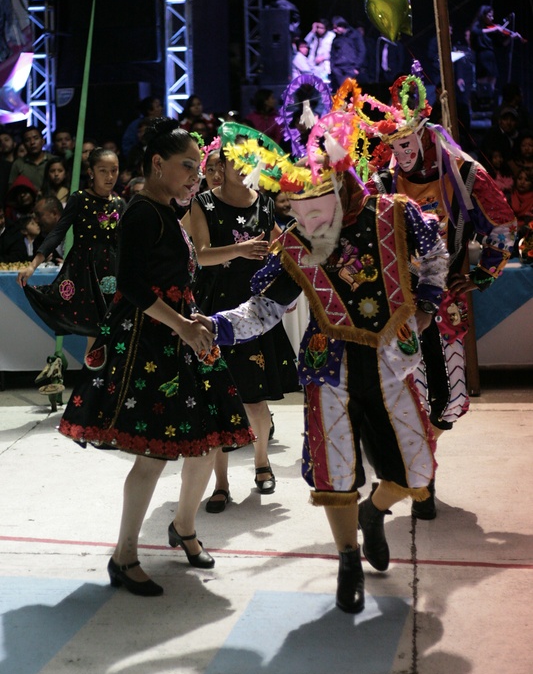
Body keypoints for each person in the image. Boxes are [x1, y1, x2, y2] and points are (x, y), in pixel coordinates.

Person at [192, 126, 449, 614]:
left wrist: (428, 308)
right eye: (298, 210)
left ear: (343, 185)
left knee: (416, 470)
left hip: (391, 364)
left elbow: (434, 255)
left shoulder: (393, 215)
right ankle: (347, 559)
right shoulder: (295, 245)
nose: (310, 220)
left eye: (319, 205)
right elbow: (263, 310)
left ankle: (374, 515)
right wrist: (217, 326)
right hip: (328, 370)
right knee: (334, 477)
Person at [58, 119, 255, 596]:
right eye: (187, 166)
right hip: (151, 343)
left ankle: (183, 528)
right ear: (157, 165)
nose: (195, 175)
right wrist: (184, 324)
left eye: (199, 166)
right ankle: (124, 557)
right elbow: (130, 286)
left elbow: (184, 268)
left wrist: (197, 314)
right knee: (152, 456)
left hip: (181, 332)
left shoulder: (166, 209)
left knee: (209, 441)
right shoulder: (143, 212)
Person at [369, 75, 516, 518]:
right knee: (407, 393)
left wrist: (485, 274)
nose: (403, 152)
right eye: (394, 143)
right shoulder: (378, 179)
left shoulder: (465, 171)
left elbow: (503, 225)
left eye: (408, 140)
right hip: (398, 303)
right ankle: (421, 479)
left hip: (446, 297)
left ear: (425, 133)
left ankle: (420, 467)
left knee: (449, 399)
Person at [189, 122, 299, 514]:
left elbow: (278, 251)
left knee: (255, 398)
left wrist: (286, 283)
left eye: (246, 158)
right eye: (231, 158)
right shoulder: (202, 203)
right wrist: (239, 250)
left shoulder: (265, 204)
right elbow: (199, 254)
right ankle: (220, 484)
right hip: (215, 308)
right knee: (218, 398)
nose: (238, 165)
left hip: (256, 309)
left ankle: (262, 462)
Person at [17, 148, 124, 352]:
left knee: (113, 332)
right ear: (91, 172)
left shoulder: (120, 203)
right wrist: (32, 266)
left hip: (112, 271)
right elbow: (57, 232)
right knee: (95, 334)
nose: (110, 176)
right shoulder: (80, 199)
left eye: (114, 170)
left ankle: (105, 381)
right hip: (84, 273)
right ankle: (92, 382)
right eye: (103, 170)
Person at [8, 125, 53, 190]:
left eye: (36, 138)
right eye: (27, 140)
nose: (32, 142)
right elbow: (11, 189)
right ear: (24, 144)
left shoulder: (53, 160)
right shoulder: (18, 164)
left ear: (43, 141)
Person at [329, 16, 366, 92]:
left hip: (351, 69)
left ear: (342, 26)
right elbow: (332, 55)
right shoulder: (336, 39)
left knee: (348, 92)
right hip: (338, 69)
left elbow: (362, 51)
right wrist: (333, 68)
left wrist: (356, 67)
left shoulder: (355, 35)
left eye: (336, 28)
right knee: (340, 93)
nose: (334, 30)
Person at [304, 19, 335, 84]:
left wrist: (324, 57)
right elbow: (305, 43)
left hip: (325, 65)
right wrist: (312, 31)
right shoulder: (314, 35)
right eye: (318, 27)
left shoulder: (331, 36)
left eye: (321, 28)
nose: (319, 30)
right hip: (313, 65)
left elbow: (336, 52)